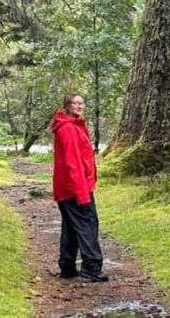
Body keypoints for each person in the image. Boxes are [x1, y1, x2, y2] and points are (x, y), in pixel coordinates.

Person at [50, 92, 109, 282]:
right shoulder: (67, 129)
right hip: (74, 187)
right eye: (75, 103)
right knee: (88, 224)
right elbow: (72, 162)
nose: (79, 106)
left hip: (70, 187)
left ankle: (67, 266)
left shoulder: (74, 126)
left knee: (71, 226)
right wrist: (81, 192)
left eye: (81, 103)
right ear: (67, 106)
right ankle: (92, 267)